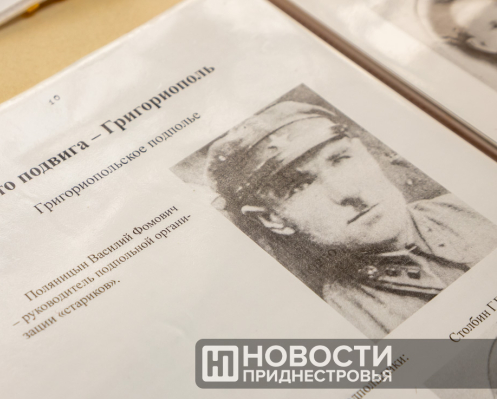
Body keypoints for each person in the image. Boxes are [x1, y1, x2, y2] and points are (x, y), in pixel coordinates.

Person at [205, 100, 497, 338]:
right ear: (272, 219)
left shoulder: (473, 206)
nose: (348, 192)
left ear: (365, 151)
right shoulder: (348, 322)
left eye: (341, 159)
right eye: (298, 186)